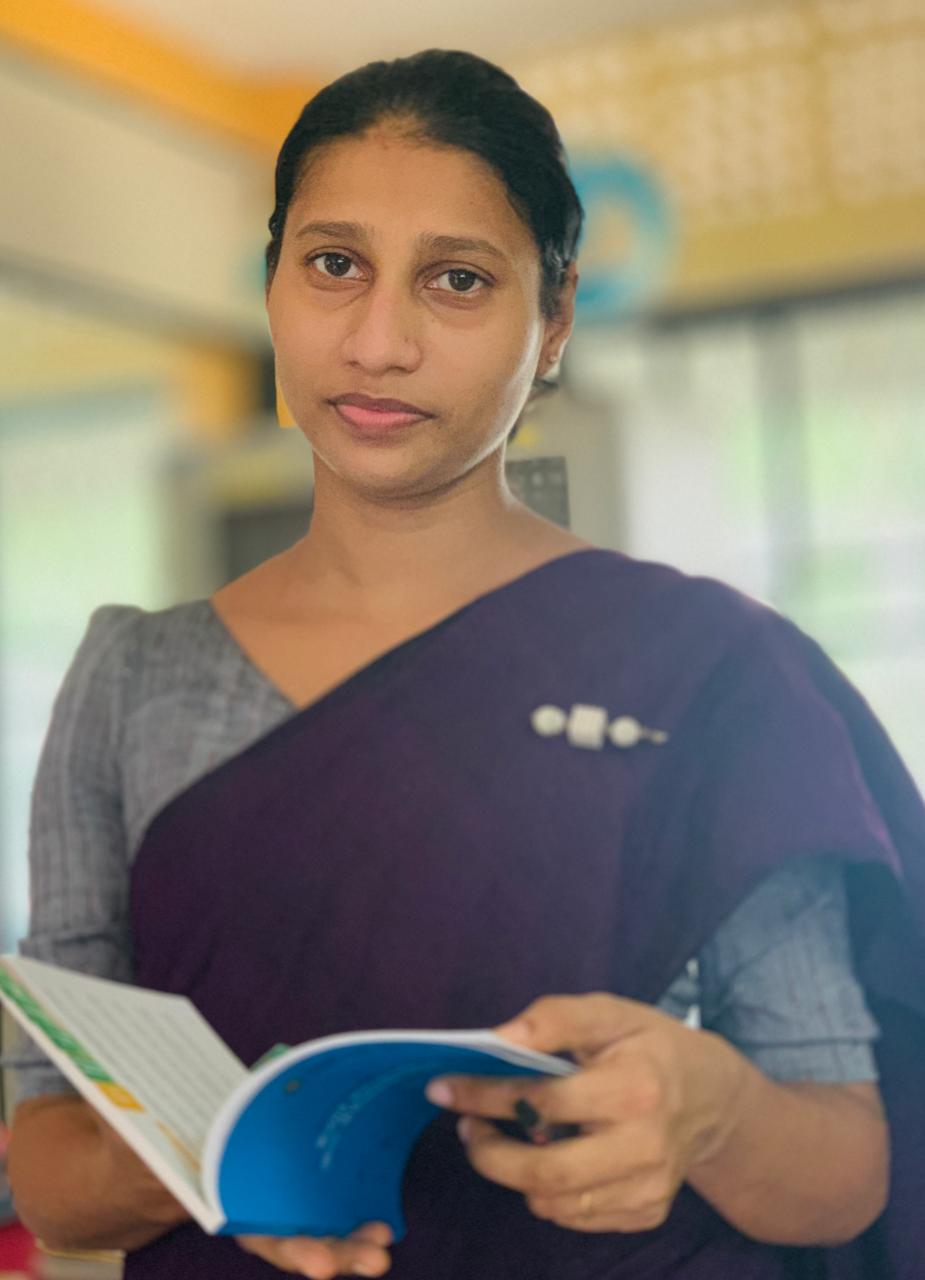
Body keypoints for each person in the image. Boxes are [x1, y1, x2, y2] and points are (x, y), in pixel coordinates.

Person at [5, 48, 925, 1280]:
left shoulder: (714, 669)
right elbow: (52, 1172)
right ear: (272, 285)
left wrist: (708, 1109)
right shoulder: (131, 676)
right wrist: (213, 1149)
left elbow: (842, 1166)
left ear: (553, 322)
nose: (377, 340)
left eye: (456, 280)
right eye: (334, 265)